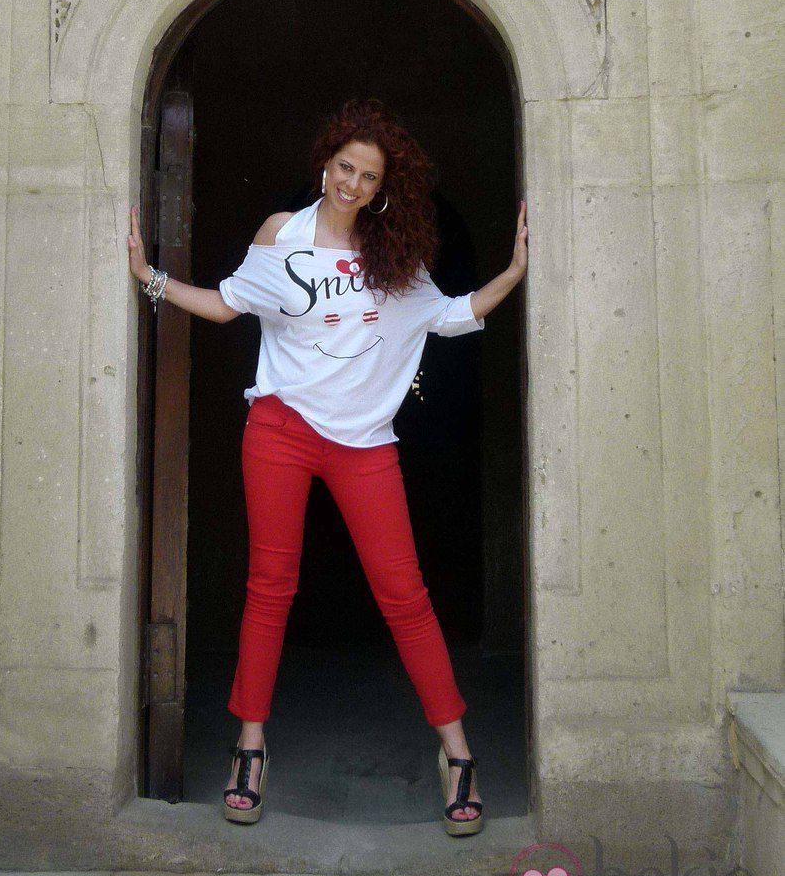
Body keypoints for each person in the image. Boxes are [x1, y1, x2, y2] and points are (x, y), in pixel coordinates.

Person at [127, 98, 528, 837]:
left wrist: (512, 272)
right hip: (279, 430)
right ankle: (250, 744)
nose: (353, 182)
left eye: (369, 175)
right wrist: (150, 277)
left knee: (404, 594)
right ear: (326, 162)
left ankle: (457, 753)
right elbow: (225, 306)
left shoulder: (393, 257)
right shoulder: (283, 237)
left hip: (365, 443)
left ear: (383, 187)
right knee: (269, 586)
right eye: (346, 166)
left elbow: (449, 317)